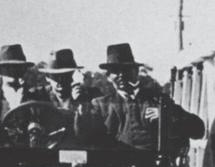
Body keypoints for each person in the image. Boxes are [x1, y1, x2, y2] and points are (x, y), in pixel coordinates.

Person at [76, 43, 205, 152]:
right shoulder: (100, 106)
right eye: (116, 71)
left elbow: (198, 129)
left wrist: (167, 117)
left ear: (135, 72)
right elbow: (85, 139)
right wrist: (81, 107)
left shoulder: (158, 101)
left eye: (126, 70)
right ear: (109, 76)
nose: (121, 75)